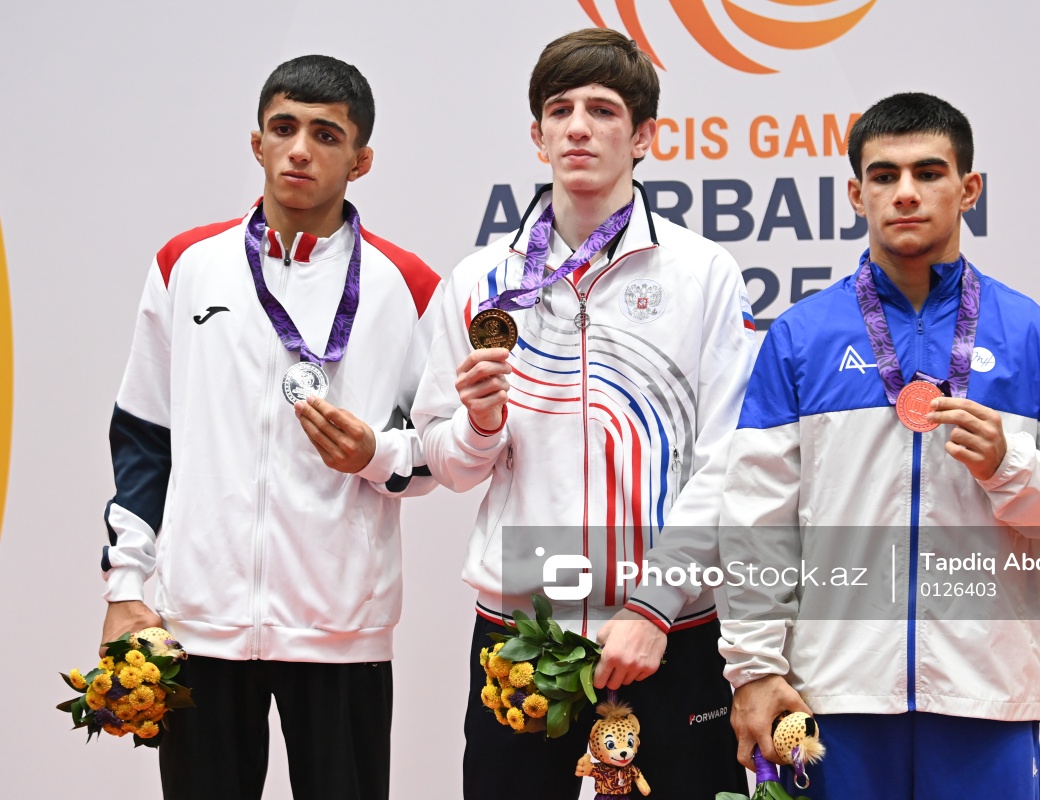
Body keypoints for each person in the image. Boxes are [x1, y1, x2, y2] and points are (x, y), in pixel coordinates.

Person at [718, 92, 1040, 800]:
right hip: (831, 696)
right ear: (857, 194)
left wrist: (1009, 465)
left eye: (929, 173)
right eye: (884, 176)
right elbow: (757, 520)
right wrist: (754, 669)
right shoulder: (801, 337)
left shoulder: (1033, 335)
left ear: (969, 189)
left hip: (982, 696)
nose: (905, 193)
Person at [411, 27, 752, 800]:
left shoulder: (703, 274)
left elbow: (728, 457)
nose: (578, 128)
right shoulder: (480, 281)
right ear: (537, 136)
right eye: (560, 110)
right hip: (523, 632)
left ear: (644, 137)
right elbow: (448, 463)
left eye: (603, 110)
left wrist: (654, 608)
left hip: (670, 630)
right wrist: (480, 425)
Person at [98, 55, 441, 800]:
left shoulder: (408, 286)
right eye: (283, 129)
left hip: (341, 631)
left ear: (361, 160)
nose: (299, 150)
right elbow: (144, 437)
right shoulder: (186, 265)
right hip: (200, 627)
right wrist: (126, 585)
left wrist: (376, 453)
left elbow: (443, 450)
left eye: (326, 134)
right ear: (257, 144)